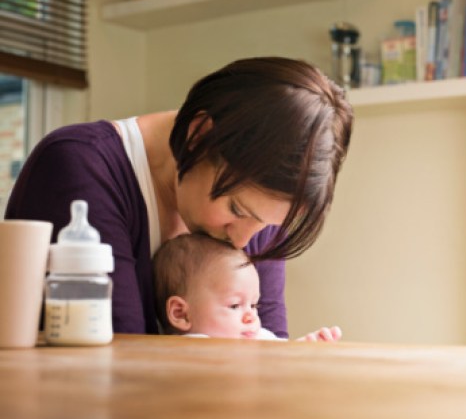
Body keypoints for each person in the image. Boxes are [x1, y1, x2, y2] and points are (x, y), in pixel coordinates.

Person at [5, 57, 353, 338]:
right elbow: (119, 364)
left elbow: (267, 352)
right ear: (198, 137)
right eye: (235, 209)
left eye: (268, 225)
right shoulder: (82, 166)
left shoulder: (259, 205)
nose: (245, 241)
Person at [154, 232, 341, 342]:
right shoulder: (190, 347)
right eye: (234, 305)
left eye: (253, 305)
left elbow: (281, 354)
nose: (251, 316)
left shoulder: (253, 336)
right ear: (181, 313)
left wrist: (306, 348)